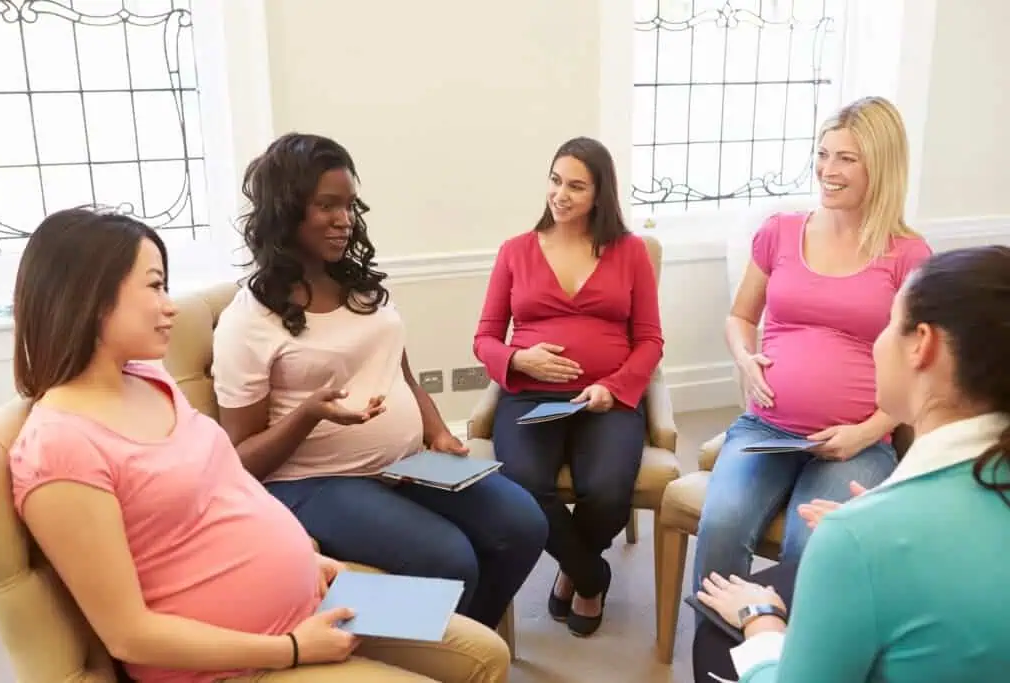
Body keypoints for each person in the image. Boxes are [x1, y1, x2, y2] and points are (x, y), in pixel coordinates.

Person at [6, 207, 510, 683]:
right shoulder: (60, 447)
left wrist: (305, 560)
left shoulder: (147, 380)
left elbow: (223, 491)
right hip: (242, 660)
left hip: (312, 597)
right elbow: (130, 635)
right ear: (90, 298)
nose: (169, 307)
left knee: (487, 654)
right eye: (156, 286)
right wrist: (292, 648)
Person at [211, 133, 547, 632]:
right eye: (326, 205)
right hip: (312, 483)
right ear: (286, 210)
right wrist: (309, 413)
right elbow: (238, 462)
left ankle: (463, 649)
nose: (344, 219)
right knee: (449, 559)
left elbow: (402, 374)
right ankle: (433, 649)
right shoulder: (249, 320)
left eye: (348, 205)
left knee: (524, 524)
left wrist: (436, 431)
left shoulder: (363, 289)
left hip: (404, 463)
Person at [692, 245, 1010, 682]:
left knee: (714, 643)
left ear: (922, 344)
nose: (877, 344)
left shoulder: (859, 540)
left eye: (888, 325)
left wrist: (761, 621)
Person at [692, 96, 934, 593]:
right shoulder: (779, 232)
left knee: (815, 547)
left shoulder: (909, 255)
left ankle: (790, 660)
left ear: (881, 166)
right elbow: (740, 317)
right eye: (823, 154)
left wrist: (868, 432)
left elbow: (923, 371)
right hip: (766, 428)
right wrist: (744, 357)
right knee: (720, 528)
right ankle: (723, 665)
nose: (828, 169)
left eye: (846, 158)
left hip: (853, 443)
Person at [473, 136, 664, 637]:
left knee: (605, 491)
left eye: (576, 186)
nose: (560, 195)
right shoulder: (515, 251)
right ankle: (590, 574)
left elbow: (649, 341)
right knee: (522, 489)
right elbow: (485, 339)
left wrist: (615, 387)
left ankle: (574, 569)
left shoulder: (631, 253)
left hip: (606, 399)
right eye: (556, 181)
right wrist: (520, 358)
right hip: (531, 396)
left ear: (600, 195)